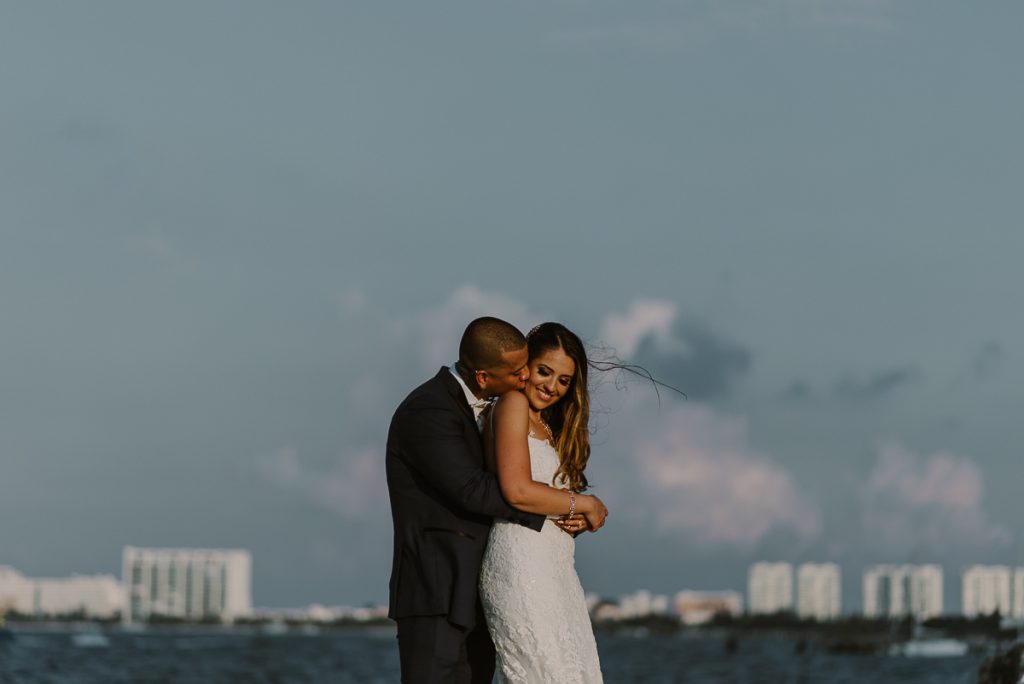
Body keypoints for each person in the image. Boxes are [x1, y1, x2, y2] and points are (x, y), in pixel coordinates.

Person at [385, 317, 608, 684]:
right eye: (527, 372)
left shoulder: (511, 410)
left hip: (488, 583)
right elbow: (477, 489)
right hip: (438, 589)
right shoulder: (429, 409)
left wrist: (565, 513)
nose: (527, 380)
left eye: (562, 379)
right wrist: (573, 504)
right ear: (485, 377)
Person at [479, 322, 606, 683]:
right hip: (522, 567)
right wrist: (585, 503)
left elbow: (546, 499)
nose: (552, 387)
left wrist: (574, 517)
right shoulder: (513, 403)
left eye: (564, 381)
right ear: (526, 365)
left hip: (557, 572)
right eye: (545, 372)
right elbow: (517, 490)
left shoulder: (547, 424)